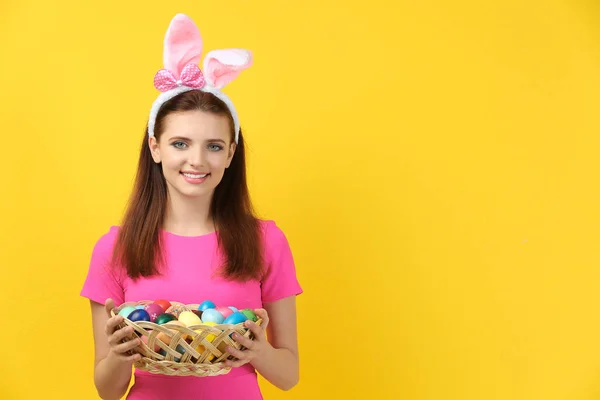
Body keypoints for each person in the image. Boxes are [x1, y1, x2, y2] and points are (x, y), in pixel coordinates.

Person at [79, 13, 303, 400]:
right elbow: (107, 391)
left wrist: (258, 352)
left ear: (231, 154)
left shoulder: (266, 240)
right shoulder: (113, 248)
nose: (197, 160)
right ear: (155, 148)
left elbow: (288, 375)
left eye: (213, 146)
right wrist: (118, 354)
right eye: (180, 143)